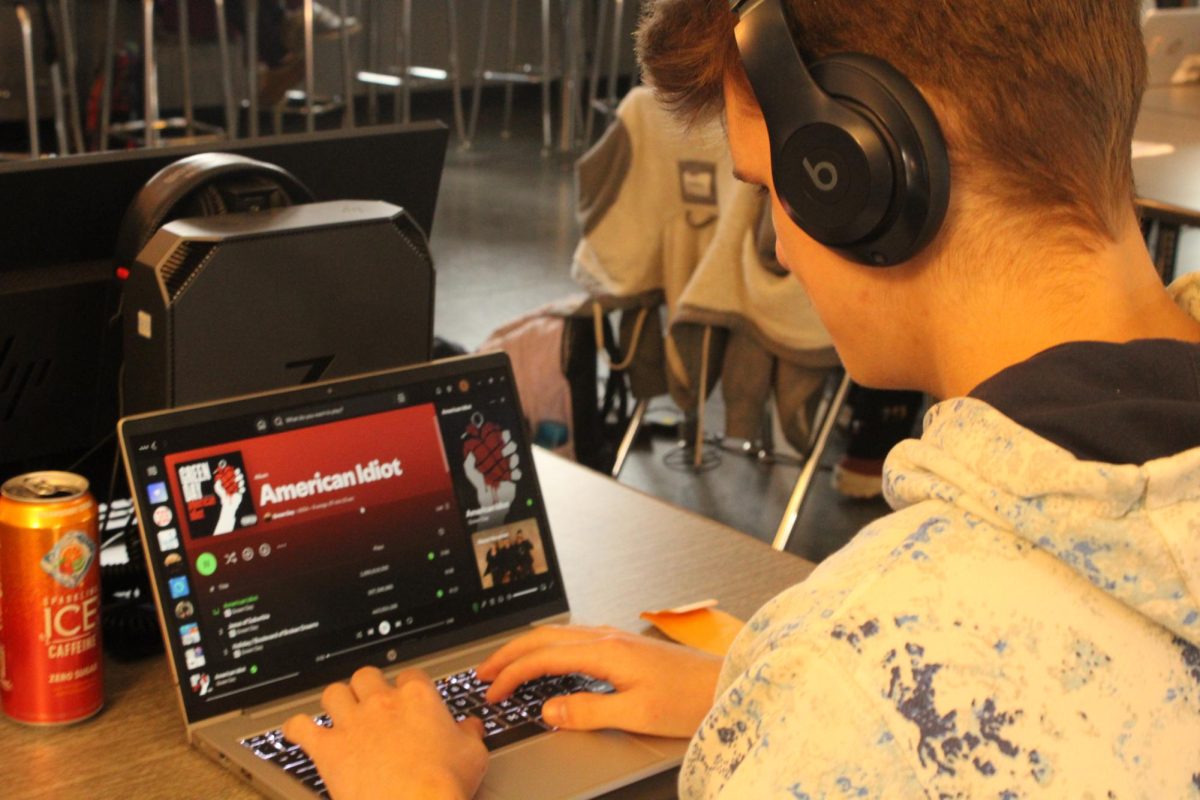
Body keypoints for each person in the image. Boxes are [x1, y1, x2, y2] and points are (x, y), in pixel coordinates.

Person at [283, 1, 1200, 796]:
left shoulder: (866, 671)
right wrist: (753, 687)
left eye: (776, 190)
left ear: (866, 175)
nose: (783, 247)